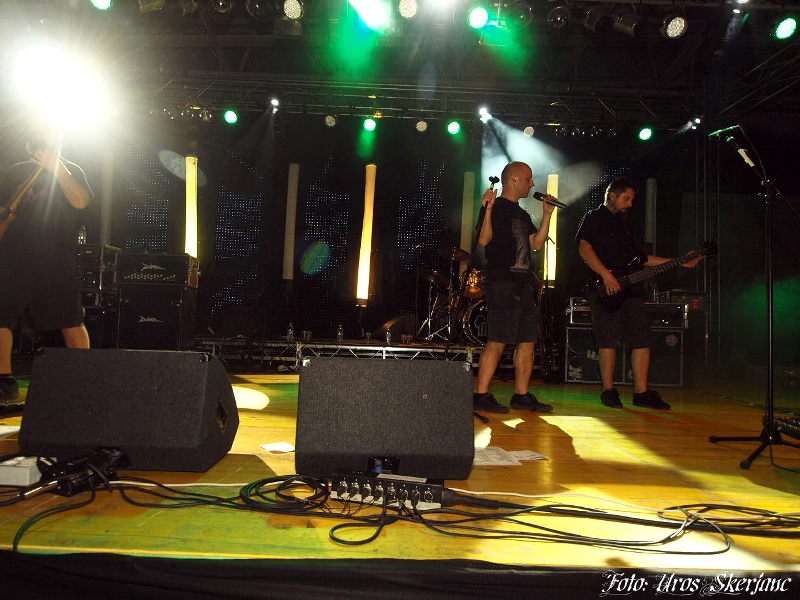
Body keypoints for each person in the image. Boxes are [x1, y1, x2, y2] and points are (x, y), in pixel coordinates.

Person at [575, 176, 702, 410]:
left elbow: (642, 259)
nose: (630, 204)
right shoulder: (594, 217)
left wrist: (681, 261)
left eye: (632, 200)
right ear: (612, 195)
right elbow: (584, 248)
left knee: (642, 338)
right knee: (608, 339)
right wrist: (606, 275)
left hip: (631, 289)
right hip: (604, 288)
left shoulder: (624, 226)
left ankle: (641, 393)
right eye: (626, 199)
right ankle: (608, 391)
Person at [0, 117, 93, 402]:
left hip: (55, 260)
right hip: (14, 257)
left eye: (46, 129)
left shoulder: (71, 170)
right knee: (1, 317)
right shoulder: (17, 172)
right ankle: (4, 383)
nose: (39, 133)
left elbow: (81, 201)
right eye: (35, 129)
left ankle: (85, 380)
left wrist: (58, 170)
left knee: (70, 320)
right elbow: (4, 215)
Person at [472, 161, 555, 413]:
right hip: (501, 282)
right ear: (514, 179)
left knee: (527, 340)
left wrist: (548, 215)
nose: (532, 184)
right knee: (498, 338)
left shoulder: (522, 214)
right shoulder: (494, 207)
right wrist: (487, 210)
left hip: (523, 284)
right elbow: (483, 239)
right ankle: (480, 394)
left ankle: (521, 395)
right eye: (528, 179)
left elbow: (537, 244)